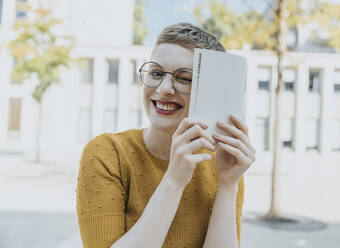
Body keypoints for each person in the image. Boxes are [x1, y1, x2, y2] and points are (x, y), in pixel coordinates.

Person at [76, 22, 256, 248]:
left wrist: (229, 186)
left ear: (210, 90)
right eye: (157, 73)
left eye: (184, 78)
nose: (163, 88)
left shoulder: (224, 165)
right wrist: (174, 181)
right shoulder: (107, 153)